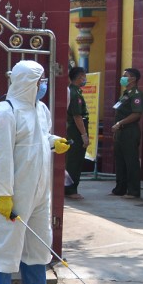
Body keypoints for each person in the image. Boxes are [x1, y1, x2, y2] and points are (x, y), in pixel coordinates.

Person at [0, 60, 69, 284]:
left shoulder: (41, 109)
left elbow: (37, 139)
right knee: (7, 245)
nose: (43, 85)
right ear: (28, 82)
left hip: (40, 190)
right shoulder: (5, 111)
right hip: (13, 192)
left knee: (39, 242)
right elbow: (0, 155)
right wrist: (3, 193)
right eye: (40, 81)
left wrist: (53, 142)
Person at [110, 67, 143, 199]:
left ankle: (133, 191)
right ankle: (120, 189)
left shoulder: (136, 95)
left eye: (126, 75)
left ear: (133, 79)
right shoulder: (126, 94)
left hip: (129, 131)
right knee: (120, 161)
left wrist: (120, 123)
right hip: (120, 132)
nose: (123, 77)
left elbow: (136, 114)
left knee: (131, 162)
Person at [64, 66, 90, 199]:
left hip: (73, 129)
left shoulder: (73, 91)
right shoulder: (75, 93)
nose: (85, 79)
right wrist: (84, 135)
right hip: (76, 130)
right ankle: (70, 190)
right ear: (80, 77)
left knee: (72, 159)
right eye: (84, 76)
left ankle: (69, 188)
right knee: (75, 160)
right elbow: (77, 116)